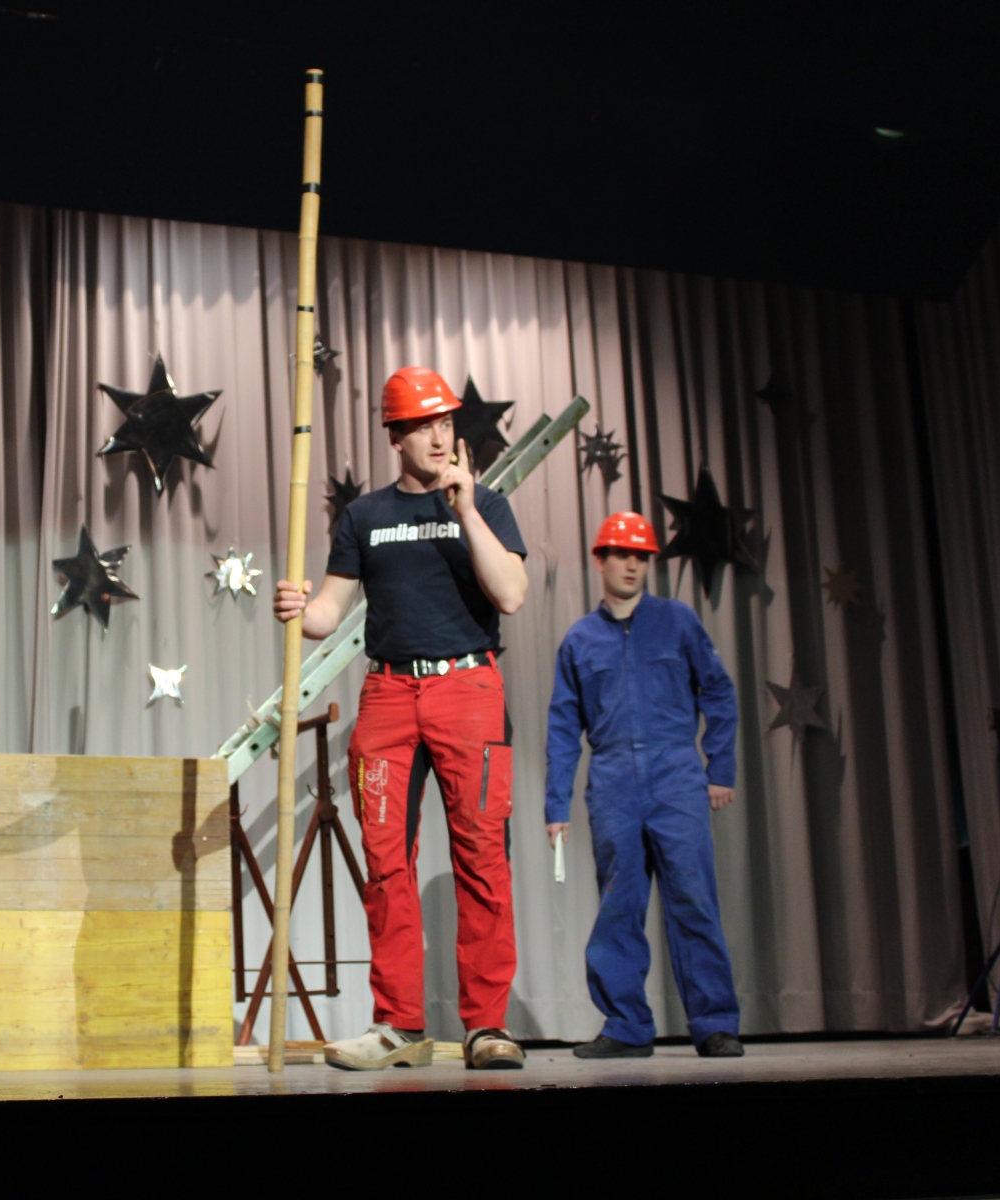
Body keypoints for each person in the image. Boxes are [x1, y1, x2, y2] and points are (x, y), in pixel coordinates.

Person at [273, 366, 531, 1071]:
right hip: (389, 695)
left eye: (446, 422)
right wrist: (300, 608)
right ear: (396, 436)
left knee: (482, 856)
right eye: (423, 426)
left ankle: (486, 1025)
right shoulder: (364, 517)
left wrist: (466, 510)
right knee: (386, 863)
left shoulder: (487, 504)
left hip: (467, 689)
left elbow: (510, 594)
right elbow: (329, 612)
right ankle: (398, 1024)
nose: (440, 437)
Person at [544, 511, 744, 1058]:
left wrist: (720, 768)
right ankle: (627, 1025)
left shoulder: (677, 621)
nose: (632, 565)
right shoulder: (580, 639)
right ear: (600, 560)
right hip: (613, 782)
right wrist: (556, 804)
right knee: (619, 905)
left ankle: (715, 1023)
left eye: (641, 557)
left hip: (675, 775)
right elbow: (563, 725)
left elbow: (718, 691)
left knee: (693, 900)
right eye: (622, 554)